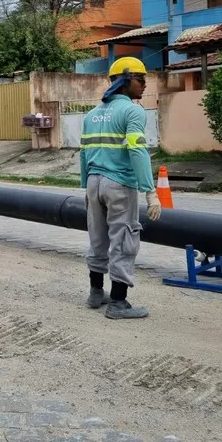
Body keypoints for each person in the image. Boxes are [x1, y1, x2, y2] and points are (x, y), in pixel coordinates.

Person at [79, 57, 162, 320]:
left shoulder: (92, 115)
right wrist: (151, 192)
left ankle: (95, 293)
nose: (144, 85)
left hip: (94, 183)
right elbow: (138, 152)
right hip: (119, 184)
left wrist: (86, 186)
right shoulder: (133, 111)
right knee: (124, 240)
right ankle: (118, 303)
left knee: (97, 237)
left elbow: (84, 154)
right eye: (141, 79)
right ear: (126, 81)